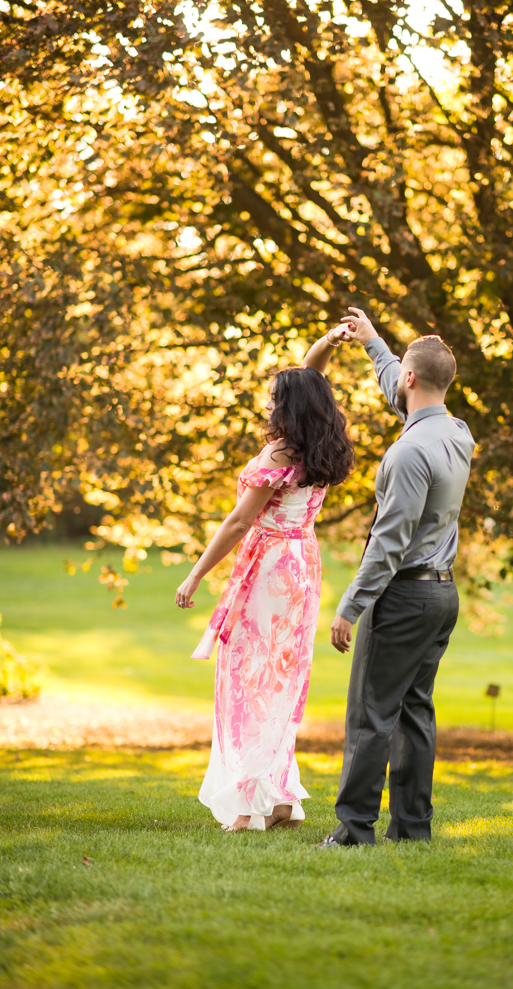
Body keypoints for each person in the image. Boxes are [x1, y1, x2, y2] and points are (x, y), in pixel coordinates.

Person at [176, 325, 355, 832]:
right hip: (301, 566)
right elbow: (309, 380)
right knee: (280, 679)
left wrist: (194, 575)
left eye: (275, 398)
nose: (270, 403)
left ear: (288, 408)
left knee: (248, 679)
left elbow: (237, 522)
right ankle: (280, 801)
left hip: (269, 566)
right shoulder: (320, 445)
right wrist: (326, 342)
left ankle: (248, 806)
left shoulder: (277, 456)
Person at [319, 307, 475, 848]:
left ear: (412, 378)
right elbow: (404, 392)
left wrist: (349, 606)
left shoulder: (408, 453)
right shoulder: (456, 433)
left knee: (371, 713)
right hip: (441, 596)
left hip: (404, 597)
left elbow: (389, 543)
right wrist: (375, 344)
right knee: (415, 714)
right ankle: (412, 829)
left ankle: (354, 829)